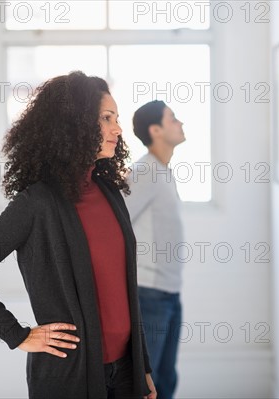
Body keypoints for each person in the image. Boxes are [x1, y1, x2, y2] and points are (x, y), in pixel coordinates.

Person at [0, 71, 156, 399]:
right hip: (69, 376)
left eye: (116, 118)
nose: (117, 129)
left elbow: (125, 288)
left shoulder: (110, 192)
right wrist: (17, 335)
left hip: (127, 374)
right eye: (106, 118)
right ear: (73, 124)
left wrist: (142, 367)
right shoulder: (37, 202)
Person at [124, 101, 185, 399]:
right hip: (149, 293)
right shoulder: (144, 171)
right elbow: (116, 222)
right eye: (173, 119)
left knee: (166, 378)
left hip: (168, 292)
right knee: (150, 385)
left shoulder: (163, 171)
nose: (181, 123)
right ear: (155, 130)